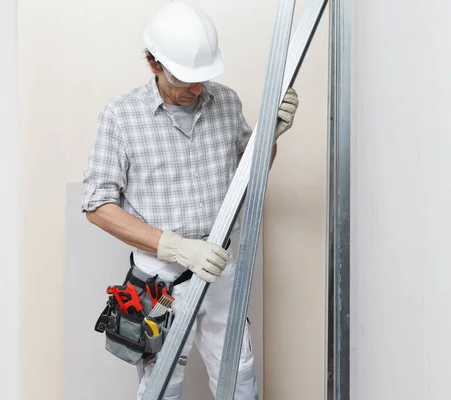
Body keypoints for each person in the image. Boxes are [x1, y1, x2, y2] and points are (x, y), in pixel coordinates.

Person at [82, 2, 298, 399]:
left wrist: (272, 135)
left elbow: (247, 176)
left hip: (220, 272)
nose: (197, 89)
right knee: (162, 385)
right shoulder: (121, 117)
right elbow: (97, 205)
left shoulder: (227, 102)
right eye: (186, 78)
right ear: (154, 64)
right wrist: (176, 247)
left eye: (203, 78)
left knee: (241, 379)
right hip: (162, 283)